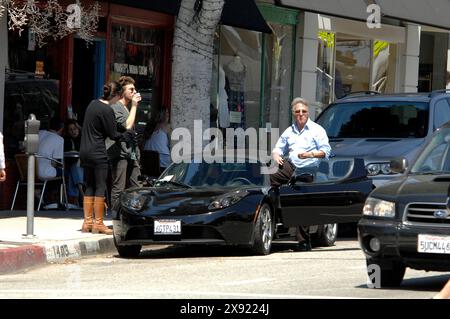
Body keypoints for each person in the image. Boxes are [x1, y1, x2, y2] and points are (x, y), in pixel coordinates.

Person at [271, 97, 331, 251]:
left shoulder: (317, 130)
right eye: (297, 112)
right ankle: (275, 214)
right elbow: (278, 148)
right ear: (294, 114)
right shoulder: (289, 131)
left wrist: (310, 155)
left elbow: (326, 151)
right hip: (291, 166)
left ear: (308, 113)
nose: (301, 114)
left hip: (309, 168)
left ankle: (304, 241)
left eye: (303, 111)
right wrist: (276, 155)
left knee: (300, 198)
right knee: (268, 176)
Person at [80, 81, 135, 235]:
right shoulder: (107, 110)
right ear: (117, 95)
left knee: (89, 184)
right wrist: (126, 135)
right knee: (100, 186)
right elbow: (113, 135)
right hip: (98, 152)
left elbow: (103, 126)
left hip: (84, 150)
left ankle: (87, 222)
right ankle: (98, 224)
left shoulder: (93, 104)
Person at [108, 75, 142, 210]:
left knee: (137, 185)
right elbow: (127, 125)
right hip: (119, 152)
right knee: (119, 187)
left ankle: (135, 213)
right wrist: (134, 106)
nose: (134, 92)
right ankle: (116, 217)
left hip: (131, 152)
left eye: (134, 89)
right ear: (122, 91)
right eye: (131, 89)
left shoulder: (127, 108)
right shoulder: (116, 107)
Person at [63, 119, 84, 205]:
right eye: (70, 130)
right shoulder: (66, 140)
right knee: (74, 168)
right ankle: (81, 193)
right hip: (69, 167)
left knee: (75, 168)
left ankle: (76, 198)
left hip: (85, 168)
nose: (73, 131)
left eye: (75, 129)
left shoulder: (83, 139)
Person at [143, 108, 171, 173]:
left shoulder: (150, 127)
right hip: (163, 163)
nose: (168, 114)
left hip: (148, 164)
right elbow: (172, 144)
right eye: (166, 113)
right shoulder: (167, 126)